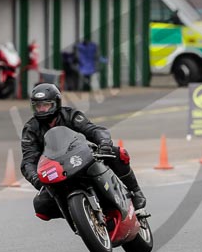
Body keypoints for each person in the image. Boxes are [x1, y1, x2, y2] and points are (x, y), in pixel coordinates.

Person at [20, 82, 147, 221]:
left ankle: (136, 191)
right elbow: (28, 160)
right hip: (56, 170)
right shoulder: (30, 129)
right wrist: (35, 178)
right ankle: (77, 215)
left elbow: (94, 130)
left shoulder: (71, 115)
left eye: (46, 105)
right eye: (38, 106)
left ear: (56, 103)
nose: (42, 110)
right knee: (41, 205)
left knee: (118, 153)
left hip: (81, 157)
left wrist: (104, 143)